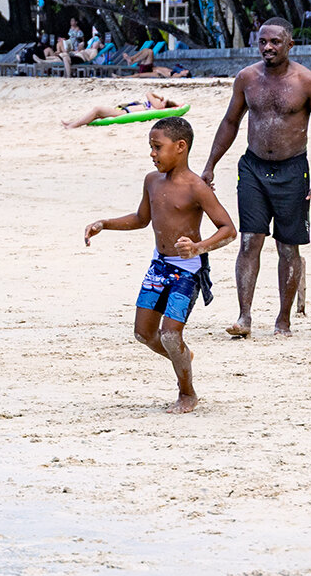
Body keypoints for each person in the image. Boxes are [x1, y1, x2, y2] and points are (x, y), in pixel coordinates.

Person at [85, 117, 236, 413]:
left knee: (170, 334)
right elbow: (142, 219)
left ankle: (187, 393)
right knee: (143, 334)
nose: (152, 154)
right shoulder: (152, 181)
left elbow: (228, 229)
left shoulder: (197, 187)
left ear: (180, 147)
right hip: (159, 266)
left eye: (157, 147)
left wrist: (198, 246)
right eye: (151, 148)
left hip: (188, 269)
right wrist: (105, 224)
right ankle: (183, 356)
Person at [201, 17, 311, 337]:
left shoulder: (308, 82)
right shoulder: (247, 78)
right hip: (252, 169)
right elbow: (230, 123)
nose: (268, 47)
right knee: (249, 241)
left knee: (288, 247)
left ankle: (283, 320)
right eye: (262, 41)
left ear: (290, 44)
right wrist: (209, 165)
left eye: (275, 42)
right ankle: (244, 317)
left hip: (293, 170)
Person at [62, 90, 182, 128]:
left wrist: (158, 97)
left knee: (97, 109)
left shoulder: (159, 106)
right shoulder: (156, 105)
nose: (162, 100)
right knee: (96, 113)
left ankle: (73, 125)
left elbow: (148, 93)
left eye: (164, 101)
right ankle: (72, 123)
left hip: (123, 113)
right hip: (123, 111)